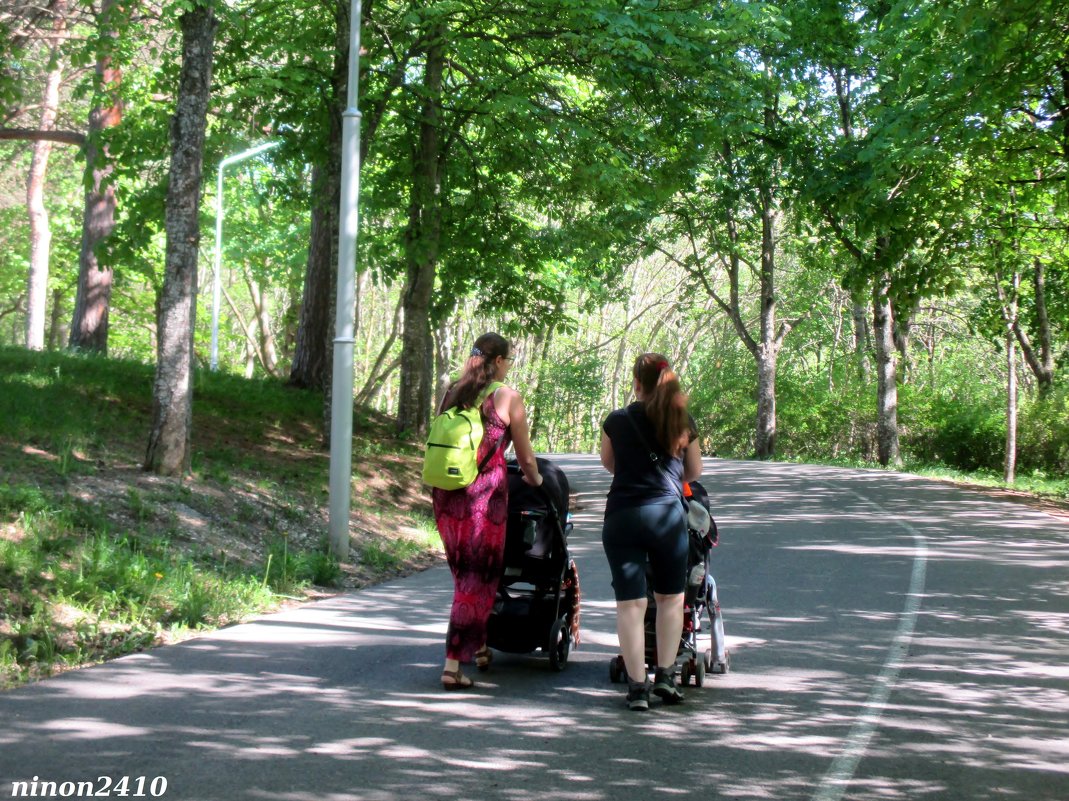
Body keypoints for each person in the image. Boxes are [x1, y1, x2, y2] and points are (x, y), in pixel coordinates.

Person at [433, 332, 543, 690]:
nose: (509, 368)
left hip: (446, 493)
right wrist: (537, 481)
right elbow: (525, 458)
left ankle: (479, 644)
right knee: (476, 578)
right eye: (509, 361)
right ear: (498, 362)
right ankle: (452, 664)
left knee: (466, 573)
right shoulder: (507, 397)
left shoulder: (451, 392)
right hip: (483, 497)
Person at [600, 353, 702, 710]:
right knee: (670, 598)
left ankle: (637, 688)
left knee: (630, 603)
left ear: (636, 383)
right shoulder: (682, 421)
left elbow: (609, 464)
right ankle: (666, 678)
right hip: (667, 518)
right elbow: (693, 473)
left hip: (623, 516)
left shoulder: (616, 420)